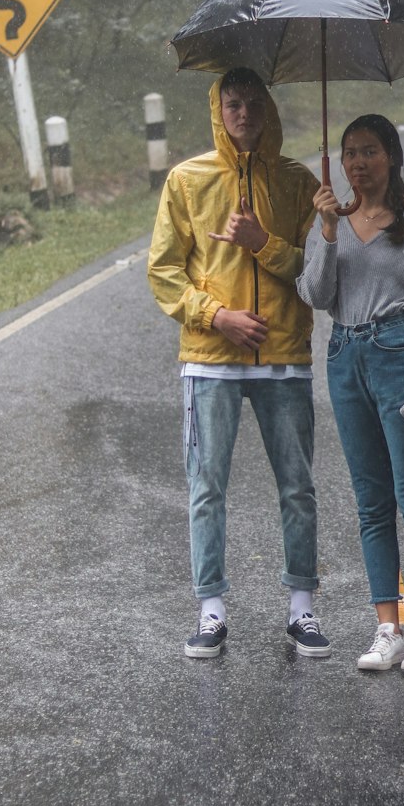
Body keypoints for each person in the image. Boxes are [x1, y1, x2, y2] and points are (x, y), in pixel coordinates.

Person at [147, 67, 329, 661]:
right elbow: (164, 270)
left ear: (268, 109)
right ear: (217, 109)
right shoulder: (187, 180)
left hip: (283, 358)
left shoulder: (297, 183)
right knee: (207, 488)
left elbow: (315, 276)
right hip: (211, 361)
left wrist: (261, 243)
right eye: (233, 103)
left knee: (297, 487)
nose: (243, 113)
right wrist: (214, 316)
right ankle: (211, 611)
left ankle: (301, 610)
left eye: (253, 103)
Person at [297, 114, 404, 674]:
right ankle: (389, 626)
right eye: (349, 154)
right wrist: (327, 230)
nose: (357, 163)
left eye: (368, 151)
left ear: (391, 155)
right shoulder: (328, 222)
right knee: (371, 503)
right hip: (344, 357)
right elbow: (315, 294)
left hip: (398, 357)